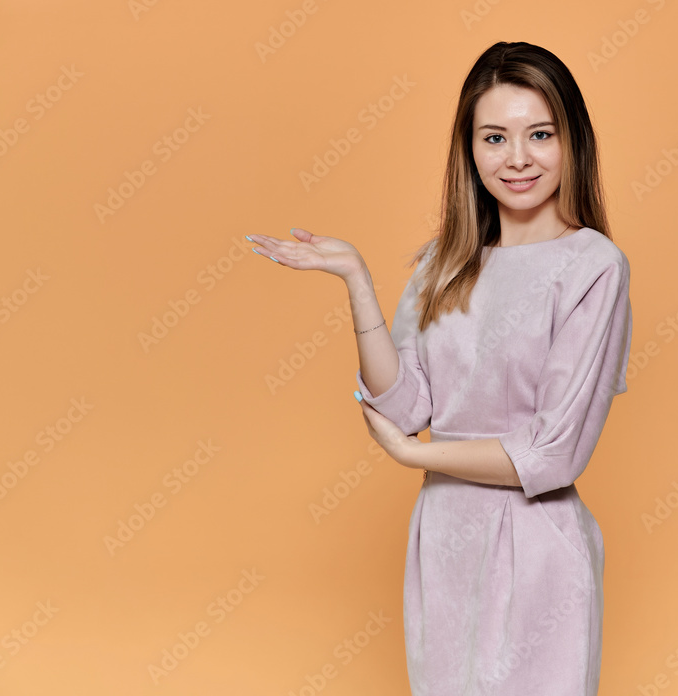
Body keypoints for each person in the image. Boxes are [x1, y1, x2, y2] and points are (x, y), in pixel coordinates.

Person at [247, 40, 632, 696]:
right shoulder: (443, 264)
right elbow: (403, 405)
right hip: (446, 542)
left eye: (540, 134)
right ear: (468, 148)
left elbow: (553, 453)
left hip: (536, 547)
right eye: (494, 137)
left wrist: (415, 457)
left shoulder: (592, 266)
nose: (517, 159)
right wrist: (356, 280)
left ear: (572, 142)